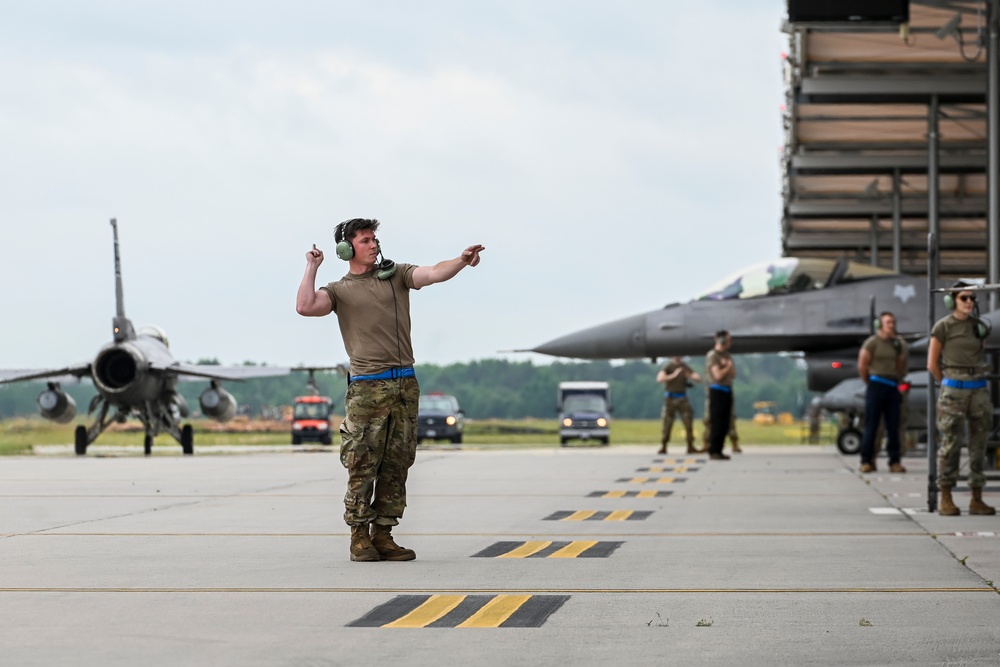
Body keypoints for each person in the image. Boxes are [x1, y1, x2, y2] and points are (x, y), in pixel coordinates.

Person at [296, 218, 485, 560]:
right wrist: (311, 267)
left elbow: (433, 272)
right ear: (346, 248)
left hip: (404, 384)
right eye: (365, 240)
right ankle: (359, 537)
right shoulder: (339, 290)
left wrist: (460, 260)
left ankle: (384, 534)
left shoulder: (395, 274)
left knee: (398, 463)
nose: (373, 245)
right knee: (362, 462)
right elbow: (306, 307)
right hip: (368, 387)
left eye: (374, 239)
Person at [927, 281, 995, 516]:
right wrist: (948, 382)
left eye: (972, 299)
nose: (969, 302)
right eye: (964, 298)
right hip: (954, 390)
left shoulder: (978, 327)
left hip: (977, 389)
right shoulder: (943, 327)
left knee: (979, 443)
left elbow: (980, 351)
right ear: (952, 300)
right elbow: (932, 364)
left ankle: (976, 498)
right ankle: (946, 496)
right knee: (951, 443)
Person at [856, 311, 908, 474]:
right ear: (880, 325)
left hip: (892, 386)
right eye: (888, 322)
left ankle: (894, 461)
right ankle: (866, 460)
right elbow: (862, 365)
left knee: (894, 426)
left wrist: (896, 380)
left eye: (893, 322)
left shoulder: (897, 344)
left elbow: (900, 364)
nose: (891, 325)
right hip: (876, 385)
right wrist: (870, 381)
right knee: (871, 425)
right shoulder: (871, 343)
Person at [655, 356, 702, 454]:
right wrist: (674, 375)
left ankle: (690, 445)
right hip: (670, 398)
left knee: (688, 422)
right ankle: (664, 445)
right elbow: (660, 379)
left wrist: (688, 375)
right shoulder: (668, 366)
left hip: (682, 398)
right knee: (667, 423)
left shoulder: (685, 366)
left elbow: (698, 378)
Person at [705, 330, 736, 460]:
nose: (730, 342)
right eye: (728, 339)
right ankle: (714, 450)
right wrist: (727, 367)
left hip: (727, 390)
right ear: (721, 340)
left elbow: (733, 375)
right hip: (717, 390)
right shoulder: (713, 355)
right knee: (716, 422)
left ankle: (720, 450)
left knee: (725, 423)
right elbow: (717, 375)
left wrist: (728, 366)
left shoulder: (727, 355)